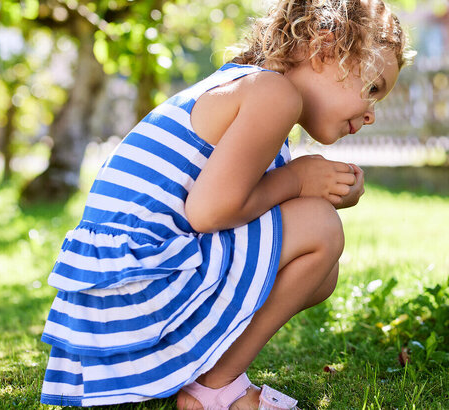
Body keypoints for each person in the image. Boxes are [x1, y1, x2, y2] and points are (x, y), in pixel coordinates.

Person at [37, 0, 409, 408]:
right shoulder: (273, 95)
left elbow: (223, 208)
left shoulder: (245, 86)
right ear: (323, 47)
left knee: (322, 271)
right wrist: (299, 180)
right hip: (133, 299)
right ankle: (215, 390)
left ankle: (200, 375)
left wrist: (314, 188)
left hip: (107, 310)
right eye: (372, 87)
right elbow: (209, 212)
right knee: (319, 228)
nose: (372, 113)